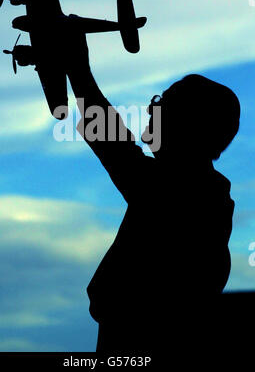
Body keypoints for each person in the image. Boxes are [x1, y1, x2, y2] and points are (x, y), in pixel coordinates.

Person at [62, 34, 240, 354]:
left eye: (162, 111)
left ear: (186, 126)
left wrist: (77, 69)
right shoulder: (203, 199)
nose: (150, 120)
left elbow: (113, 146)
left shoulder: (180, 193)